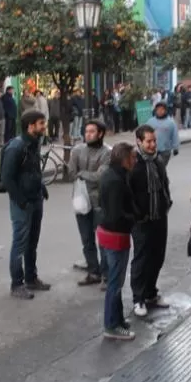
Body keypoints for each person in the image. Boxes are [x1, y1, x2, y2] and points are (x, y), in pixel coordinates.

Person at [1, 110, 51, 300]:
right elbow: (7, 178)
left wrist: (41, 187)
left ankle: (31, 278)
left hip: (35, 199)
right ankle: (17, 284)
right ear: (30, 126)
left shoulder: (34, 143)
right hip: (22, 203)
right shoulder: (17, 147)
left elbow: (33, 170)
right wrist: (20, 200)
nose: (44, 126)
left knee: (32, 242)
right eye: (41, 123)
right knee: (20, 244)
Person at [129, 124, 172, 317]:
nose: (153, 144)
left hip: (159, 218)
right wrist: (137, 215)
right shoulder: (133, 164)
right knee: (141, 259)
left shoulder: (158, 161)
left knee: (157, 257)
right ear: (139, 141)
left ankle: (150, 293)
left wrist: (167, 202)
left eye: (154, 141)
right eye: (149, 141)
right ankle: (138, 299)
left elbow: (164, 184)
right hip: (142, 221)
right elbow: (128, 194)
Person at [97, 142, 138, 340]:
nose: (135, 161)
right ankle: (111, 325)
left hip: (111, 233)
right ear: (124, 159)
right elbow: (116, 214)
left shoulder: (115, 175)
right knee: (115, 282)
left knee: (117, 281)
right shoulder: (115, 180)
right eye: (133, 157)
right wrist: (135, 218)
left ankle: (117, 318)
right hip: (115, 235)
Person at [69, 120, 111, 286]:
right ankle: (93, 272)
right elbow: (71, 172)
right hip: (81, 200)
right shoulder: (78, 150)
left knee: (103, 240)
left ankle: (106, 275)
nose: (88, 135)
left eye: (92, 132)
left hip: (99, 202)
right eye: (86, 131)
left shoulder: (107, 152)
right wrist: (85, 174)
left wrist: (82, 173)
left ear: (100, 133)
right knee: (87, 239)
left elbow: (101, 177)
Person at [145, 100, 179, 166]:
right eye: (158, 110)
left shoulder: (171, 123)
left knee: (161, 167)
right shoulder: (150, 122)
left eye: (162, 109)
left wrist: (175, 148)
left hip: (165, 150)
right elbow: (144, 133)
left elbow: (175, 135)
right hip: (152, 149)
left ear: (165, 110)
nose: (160, 111)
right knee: (153, 168)